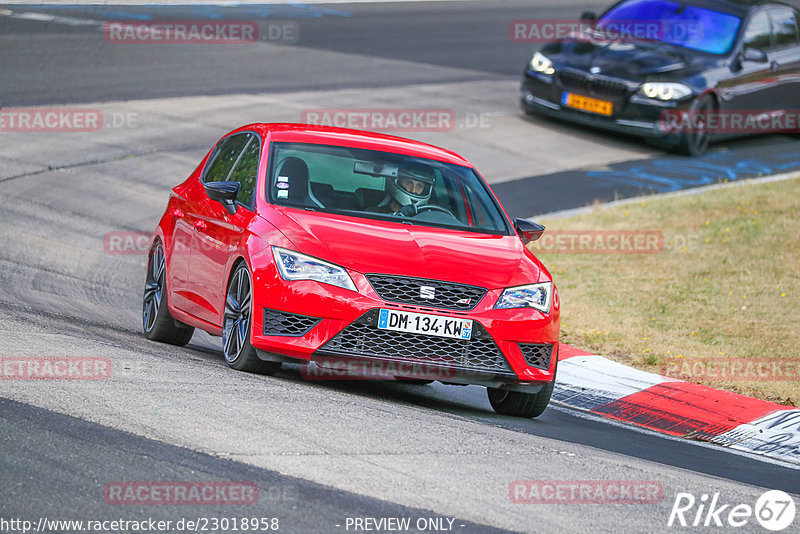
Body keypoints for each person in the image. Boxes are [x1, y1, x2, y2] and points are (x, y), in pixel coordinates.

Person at [367, 163, 435, 216]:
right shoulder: (373, 214)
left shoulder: (426, 220)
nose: (413, 190)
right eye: (409, 183)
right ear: (397, 182)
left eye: (419, 186)